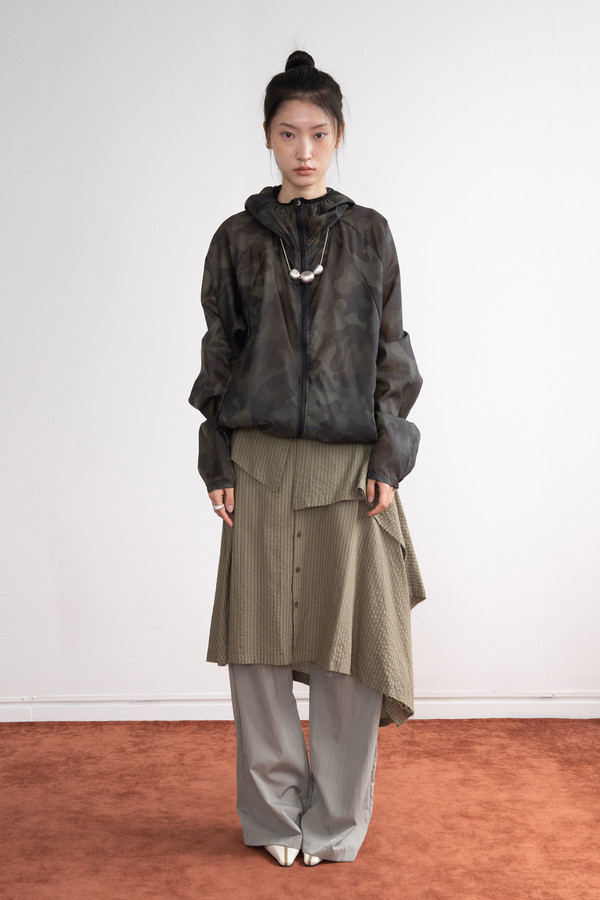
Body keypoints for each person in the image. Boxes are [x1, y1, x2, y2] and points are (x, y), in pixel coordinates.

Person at [188, 50, 426, 868]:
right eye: (288, 133)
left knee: (348, 652)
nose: (304, 150)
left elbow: (393, 353)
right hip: (256, 462)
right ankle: (272, 817)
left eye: (318, 133)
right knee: (256, 650)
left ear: (339, 136)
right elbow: (219, 354)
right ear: (267, 137)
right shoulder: (235, 240)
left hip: (346, 467)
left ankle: (334, 822)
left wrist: (388, 456)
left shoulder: (369, 235)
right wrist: (216, 460)